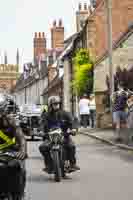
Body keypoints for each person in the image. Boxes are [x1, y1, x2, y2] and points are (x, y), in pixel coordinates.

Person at [39, 96, 80, 173]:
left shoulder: (65, 113)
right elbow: (42, 123)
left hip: (64, 136)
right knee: (42, 147)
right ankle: (49, 165)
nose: (56, 105)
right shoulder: (46, 115)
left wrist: (74, 129)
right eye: (54, 104)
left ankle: (72, 164)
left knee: (71, 146)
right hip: (50, 137)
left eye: (57, 103)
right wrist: (41, 131)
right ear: (50, 105)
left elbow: (73, 121)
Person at [0, 92, 27, 196]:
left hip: (11, 152)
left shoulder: (11, 121)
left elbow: (21, 138)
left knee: (16, 167)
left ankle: (17, 194)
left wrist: (22, 151)